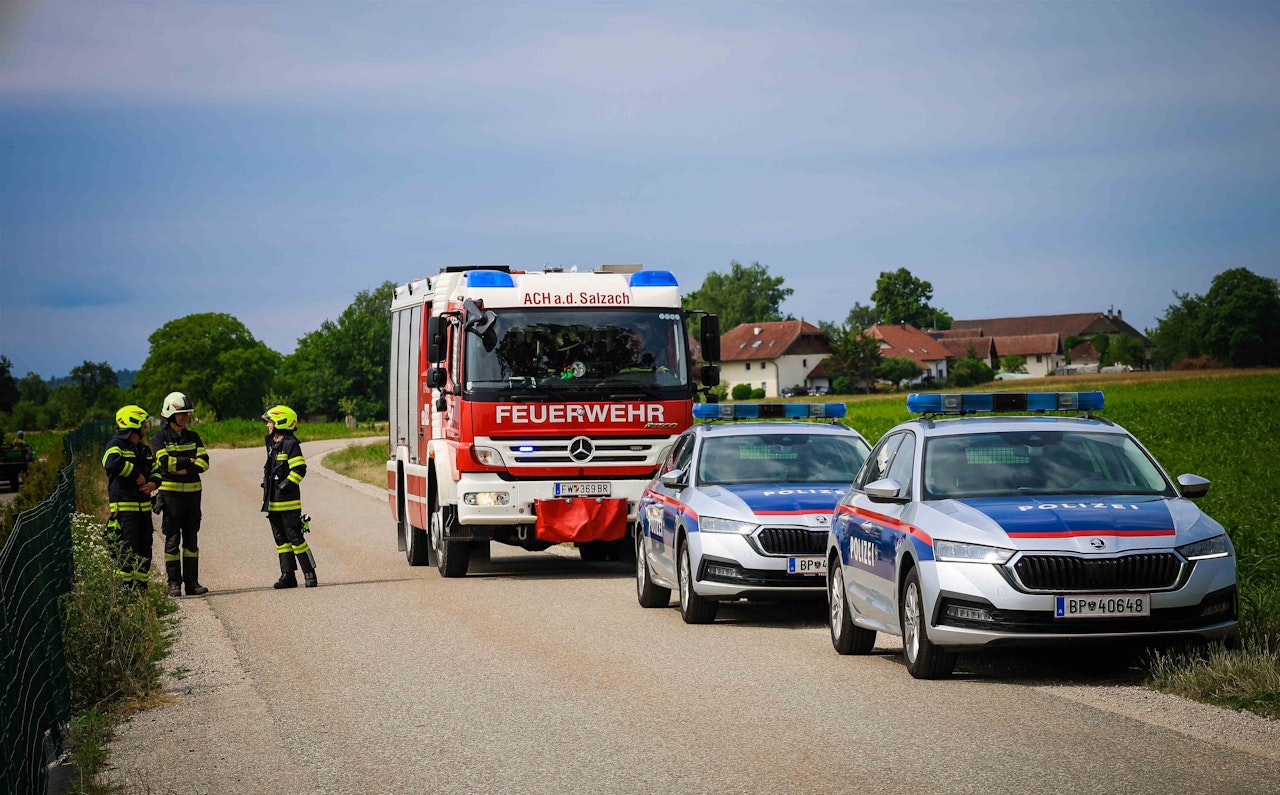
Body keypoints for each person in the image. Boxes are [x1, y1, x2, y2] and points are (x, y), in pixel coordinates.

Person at [151, 392, 210, 597]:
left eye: (187, 414)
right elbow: (165, 464)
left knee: (191, 542)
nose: (185, 417)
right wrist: (189, 462)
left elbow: (204, 463)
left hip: (193, 498)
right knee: (172, 541)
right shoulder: (159, 438)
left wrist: (182, 465)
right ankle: (174, 583)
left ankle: (192, 583)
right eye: (181, 414)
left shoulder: (193, 437)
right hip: (171, 498)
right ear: (170, 414)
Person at [102, 405, 161, 591]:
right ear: (133, 423)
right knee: (127, 551)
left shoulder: (144, 450)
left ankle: (141, 590)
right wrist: (136, 475)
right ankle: (126, 591)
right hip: (124, 512)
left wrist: (153, 484)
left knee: (145, 551)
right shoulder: (115, 445)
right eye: (143, 422)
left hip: (143, 511)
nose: (146, 426)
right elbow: (110, 462)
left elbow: (157, 471)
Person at [261, 405, 317, 589]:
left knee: (295, 538)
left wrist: (286, 485)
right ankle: (288, 576)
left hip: (288, 503)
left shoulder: (290, 444)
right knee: (281, 541)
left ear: (280, 421)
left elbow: (300, 469)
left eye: (270, 421)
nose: (268, 425)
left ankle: (309, 574)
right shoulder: (272, 444)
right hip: (273, 503)